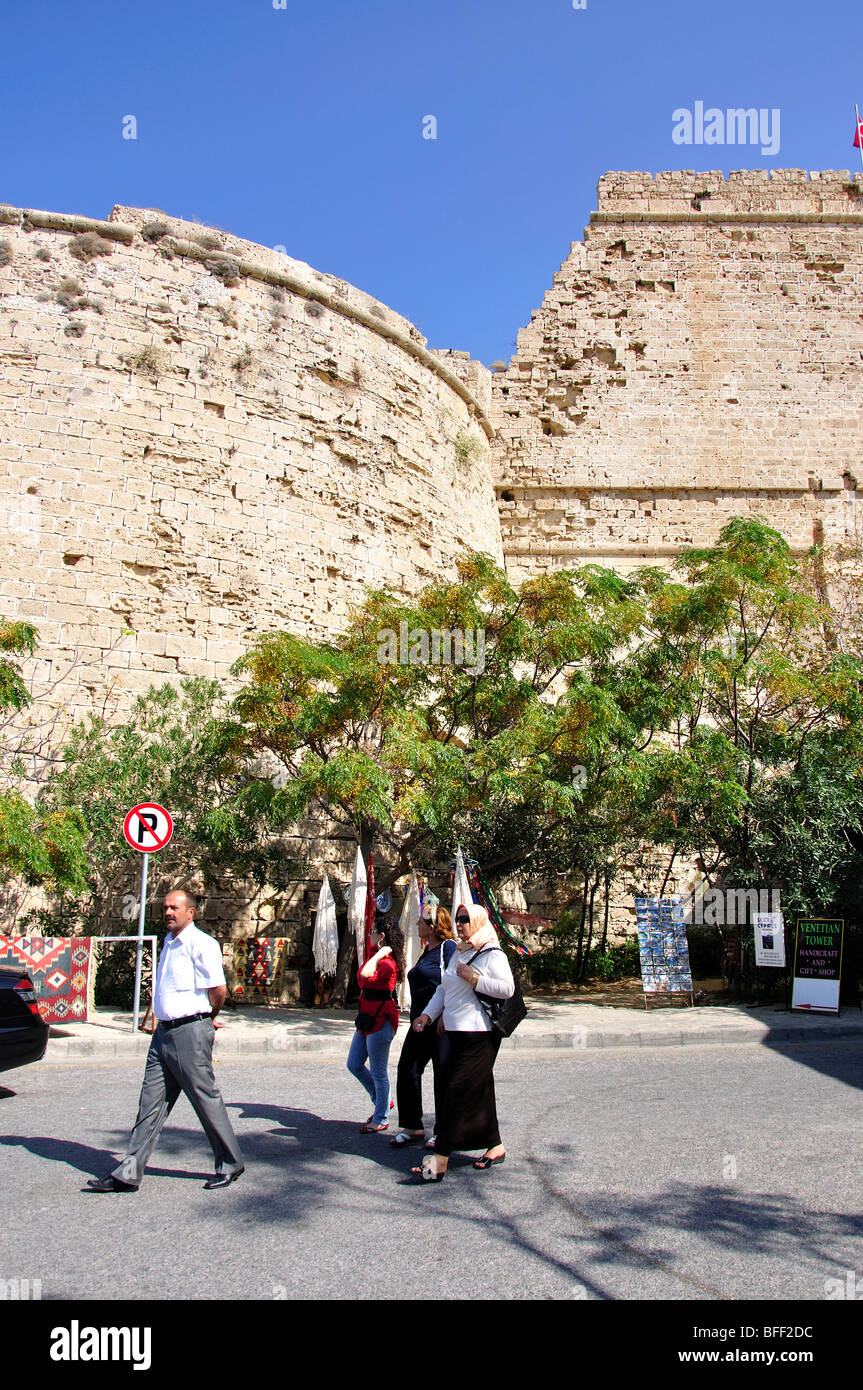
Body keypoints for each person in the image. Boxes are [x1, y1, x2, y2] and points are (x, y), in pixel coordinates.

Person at [86, 889, 244, 1193]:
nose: (168, 912)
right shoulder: (170, 943)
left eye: (175, 908)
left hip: (189, 1032)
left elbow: (219, 991)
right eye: (165, 907)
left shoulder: (202, 944)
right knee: (150, 1104)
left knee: (204, 1099)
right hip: (162, 1036)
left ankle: (230, 1162)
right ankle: (128, 1173)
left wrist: (205, 1019)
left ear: (190, 913)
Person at [410, 902, 513, 1181]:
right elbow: (444, 989)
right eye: (458, 919)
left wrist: (476, 978)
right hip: (455, 1033)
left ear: (478, 921)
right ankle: (495, 1145)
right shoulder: (459, 951)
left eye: (466, 919)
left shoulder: (491, 952)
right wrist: (428, 1016)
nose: (461, 924)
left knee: (455, 1091)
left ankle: (441, 1158)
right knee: (478, 1090)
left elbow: (507, 989)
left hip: (480, 1035)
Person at [389, 900, 456, 1148]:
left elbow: (452, 984)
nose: (416, 924)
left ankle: (443, 1131)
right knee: (407, 1068)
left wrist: (445, 1017)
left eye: (421, 921)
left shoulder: (448, 949)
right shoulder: (427, 950)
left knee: (442, 1076)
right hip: (419, 1022)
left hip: (440, 1024)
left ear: (432, 926)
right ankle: (413, 1126)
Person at [346, 916, 403, 1133]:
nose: (368, 934)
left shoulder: (387, 963)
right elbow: (362, 978)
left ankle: (381, 1117)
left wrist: (380, 953)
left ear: (381, 937)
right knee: (354, 1063)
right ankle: (381, 1099)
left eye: (372, 931)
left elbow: (363, 976)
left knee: (379, 1071)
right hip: (367, 1018)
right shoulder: (376, 958)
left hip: (381, 1020)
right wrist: (377, 954)